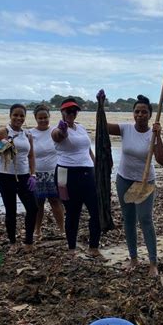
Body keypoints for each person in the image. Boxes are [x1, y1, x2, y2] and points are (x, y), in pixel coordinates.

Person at [102, 92, 163, 278]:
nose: (140, 115)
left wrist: (158, 136)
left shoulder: (152, 134)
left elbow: (162, 160)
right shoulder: (125, 129)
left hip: (145, 181)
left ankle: (153, 262)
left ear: (150, 114)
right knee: (128, 219)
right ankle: (133, 258)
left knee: (145, 219)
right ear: (133, 113)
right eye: (137, 111)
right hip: (124, 179)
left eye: (144, 112)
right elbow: (102, 127)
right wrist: (101, 106)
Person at [51, 98, 103, 258]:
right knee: (73, 212)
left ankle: (93, 247)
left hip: (88, 172)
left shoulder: (81, 128)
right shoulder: (57, 129)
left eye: (74, 111)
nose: (71, 114)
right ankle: (71, 248)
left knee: (96, 210)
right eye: (68, 111)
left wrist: (97, 167)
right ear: (62, 112)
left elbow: (87, 149)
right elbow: (57, 136)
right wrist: (63, 131)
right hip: (66, 175)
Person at [0, 104, 38, 250]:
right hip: (5, 176)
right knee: (11, 209)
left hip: (23, 176)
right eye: (15, 115)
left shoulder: (27, 135)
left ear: (25, 117)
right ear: (10, 116)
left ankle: (29, 241)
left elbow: (31, 156)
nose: (18, 118)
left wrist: (33, 174)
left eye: (21, 115)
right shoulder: (2, 132)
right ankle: (12, 242)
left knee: (33, 208)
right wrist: (2, 146)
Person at [30, 104, 64, 238]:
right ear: (35, 118)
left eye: (45, 117)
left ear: (49, 117)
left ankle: (62, 229)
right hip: (37, 173)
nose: (43, 120)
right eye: (40, 118)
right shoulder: (30, 133)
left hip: (54, 172)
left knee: (55, 201)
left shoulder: (55, 131)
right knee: (38, 203)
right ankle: (37, 230)